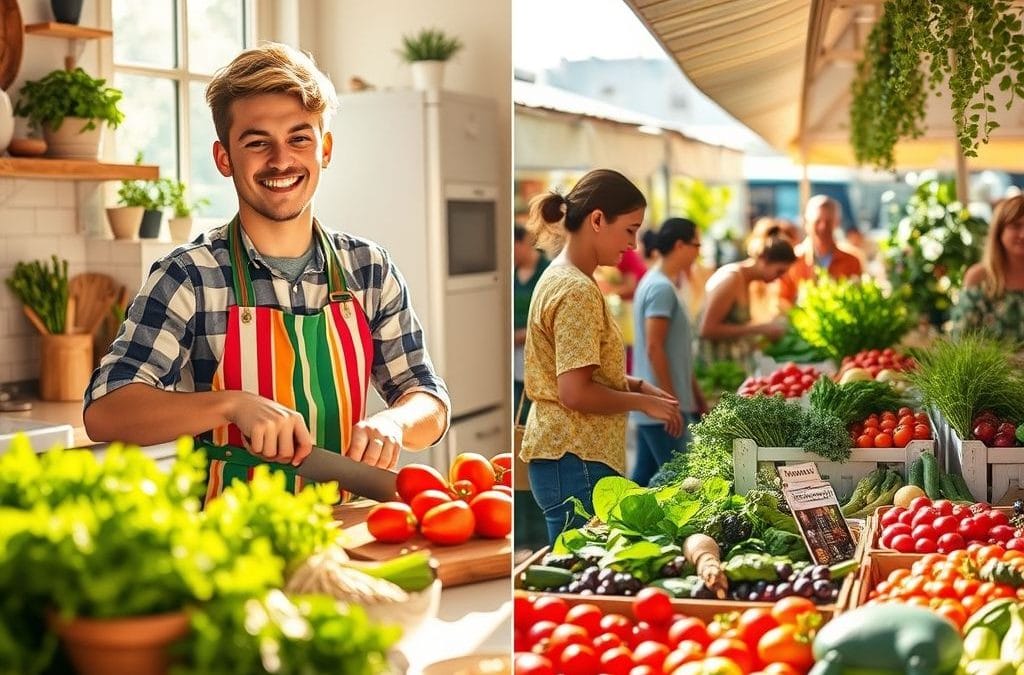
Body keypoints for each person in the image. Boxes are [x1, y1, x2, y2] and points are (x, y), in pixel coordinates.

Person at [84, 43, 450, 503]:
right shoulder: (189, 276)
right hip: (231, 544)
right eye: (257, 142)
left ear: (325, 149)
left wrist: (395, 421)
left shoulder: (369, 269)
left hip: (350, 534)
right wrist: (232, 405)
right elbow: (106, 410)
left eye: (299, 138)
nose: (281, 160)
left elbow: (429, 400)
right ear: (224, 158)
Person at [521, 169, 682, 544]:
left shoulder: (565, 277)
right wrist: (643, 403)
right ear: (597, 220)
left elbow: (575, 374)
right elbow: (574, 392)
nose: (634, 244)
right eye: (630, 229)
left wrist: (637, 384)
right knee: (580, 574)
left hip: (571, 459)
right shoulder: (576, 289)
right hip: (575, 459)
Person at [631, 217, 708, 486]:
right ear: (680, 245)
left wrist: (696, 398)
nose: (699, 251)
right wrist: (670, 403)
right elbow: (654, 347)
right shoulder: (661, 287)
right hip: (662, 407)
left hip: (659, 405)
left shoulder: (660, 284)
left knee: (643, 479)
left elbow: (677, 352)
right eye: (696, 244)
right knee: (682, 481)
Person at [699, 224, 797, 366]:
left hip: (732, 365)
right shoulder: (731, 279)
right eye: (779, 271)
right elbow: (707, 329)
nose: (780, 278)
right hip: (716, 369)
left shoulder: (746, 281)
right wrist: (760, 329)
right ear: (763, 260)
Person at [951, 194, 1024, 342]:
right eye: (1015, 226)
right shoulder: (979, 278)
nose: (1023, 234)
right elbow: (960, 342)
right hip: (992, 366)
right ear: (999, 231)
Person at [778, 195, 863, 307]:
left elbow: (857, 300)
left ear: (837, 223)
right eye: (817, 221)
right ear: (806, 223)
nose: (822, 227)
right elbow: (782, 301)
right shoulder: (793, 259)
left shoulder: (851, 261)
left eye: (828, 222)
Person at [513, 224, 549, 420]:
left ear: (522, 243)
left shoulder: (547, 272)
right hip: (515, 358)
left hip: (540, 355)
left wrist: (523, 335)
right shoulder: (512, 274)